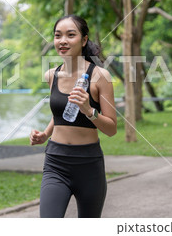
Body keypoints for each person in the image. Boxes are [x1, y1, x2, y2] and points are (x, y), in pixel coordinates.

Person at [30, 14, 117, 218]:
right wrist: (45, 134)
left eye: (70, 35)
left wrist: (89, 110)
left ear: (84, 40)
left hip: (89, 164)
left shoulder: (100, 77)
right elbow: (61, 114)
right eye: (57, 35)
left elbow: (112, 129)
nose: (62, 41)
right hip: (56, 161)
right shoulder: (51, 75)